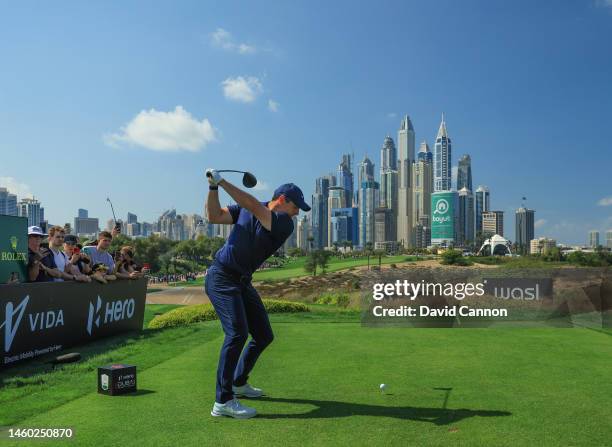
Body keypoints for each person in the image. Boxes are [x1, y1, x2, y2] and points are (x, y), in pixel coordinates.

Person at [205, 168, 309, 419]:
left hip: (242, 281)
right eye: (296, 207)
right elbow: (214, 216)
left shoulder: (284, 223)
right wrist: (212, 187)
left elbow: (251, 204)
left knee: (263, 335)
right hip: (221, 277)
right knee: (237, 332)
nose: (298, 213)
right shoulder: (249, 209)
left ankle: (239, 382)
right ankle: (223, 401)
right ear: (283, 200)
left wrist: (222, 180)